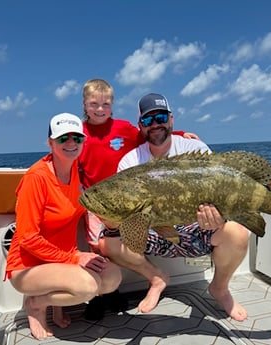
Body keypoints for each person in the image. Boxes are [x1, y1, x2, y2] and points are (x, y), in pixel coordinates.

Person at [98, 93, 250, 322]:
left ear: (171, 119)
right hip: (153, 231)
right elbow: (126, 214)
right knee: (107, 243)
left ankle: (219, 288)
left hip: (195, 228)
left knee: (237, 234)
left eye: (160, 117)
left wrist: (219, 217)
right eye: (148, 121)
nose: (155, 124)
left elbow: (219, 192)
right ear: (141, 126)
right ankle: (157, 278)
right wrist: (110, 222)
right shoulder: (130, 161)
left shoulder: (194, 148)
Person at [77, 79, 202, 319]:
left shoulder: (123, 128)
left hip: (126, 198)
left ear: (112, 104)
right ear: (85, 104)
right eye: (94, 104)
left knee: (116, 241)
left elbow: (152, 133)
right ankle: (100, 295)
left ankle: (116, 289)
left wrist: (178, 134)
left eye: (105, 103)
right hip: (96, 198)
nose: (100, 109)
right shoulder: (79, 133)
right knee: (96, 247)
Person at [5, 113, 122, 340]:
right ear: (50, 142)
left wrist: (178, 134)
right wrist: (76, 258)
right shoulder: (36, 178)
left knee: (112, 277)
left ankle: (56, 305)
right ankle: (37, 304)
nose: (71, 143)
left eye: (77, 138)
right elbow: (28, 238)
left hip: (61, 260)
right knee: (88, 287)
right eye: (63, 138)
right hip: (26, 266)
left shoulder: (78, 170)